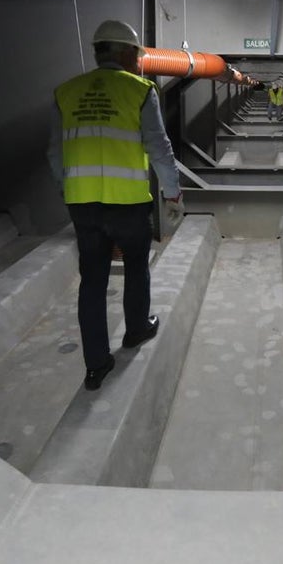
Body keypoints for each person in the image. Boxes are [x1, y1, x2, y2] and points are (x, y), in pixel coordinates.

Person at [47, 19, 182, 390]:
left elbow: (55, 153)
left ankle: (96, 365)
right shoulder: (139, 90)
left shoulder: (66, 92)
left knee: (92, 281)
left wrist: (68, 191)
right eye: (137, 55)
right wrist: (172, 192)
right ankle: (136, 329)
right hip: (127, 203)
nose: (139, 61)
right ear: (126, 53)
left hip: (83, 204)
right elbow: (159, 147)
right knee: (136, 267)